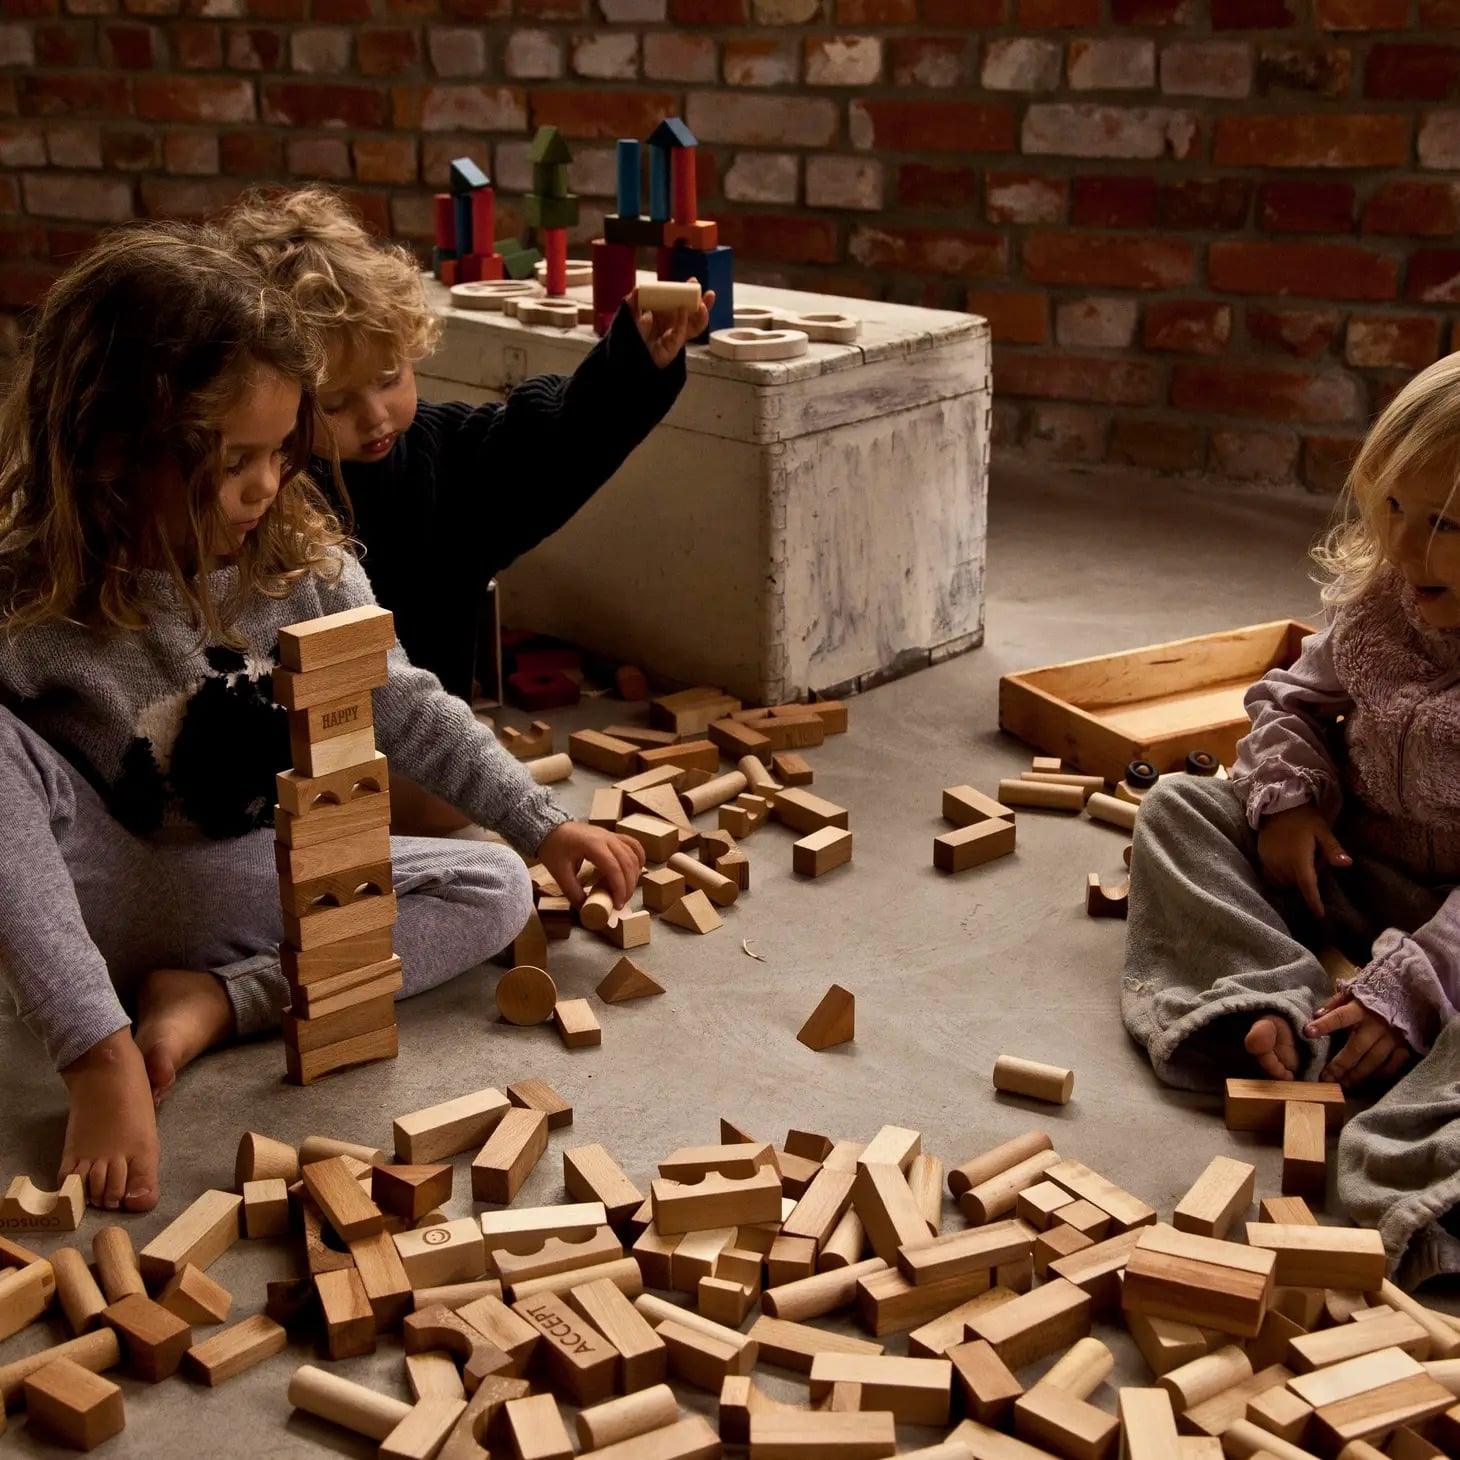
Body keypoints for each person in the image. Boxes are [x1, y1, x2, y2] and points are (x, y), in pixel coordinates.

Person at [0, 223, 643, 1213]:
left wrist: (540, 818)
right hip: (88, 888)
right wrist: (91, 1043)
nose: (266, 485)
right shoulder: (35, 589)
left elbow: (406, 703)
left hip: (238, 881)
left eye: (281, 451)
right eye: (232, 461)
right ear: (112, 453)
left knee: (491, 888)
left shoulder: (303, 564)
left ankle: (213, 1000)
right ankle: (98, 1043)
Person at [1124, 354, 1460, 1285]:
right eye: (1393, 508)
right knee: (1182, 808)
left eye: (1443, 527)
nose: (1403, 547)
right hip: (1357, 871)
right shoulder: (1380, 608)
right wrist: (1292, 801)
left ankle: (1422, 1166)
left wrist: (1422, 979)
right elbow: (1292, 702)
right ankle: (1257, 1002)